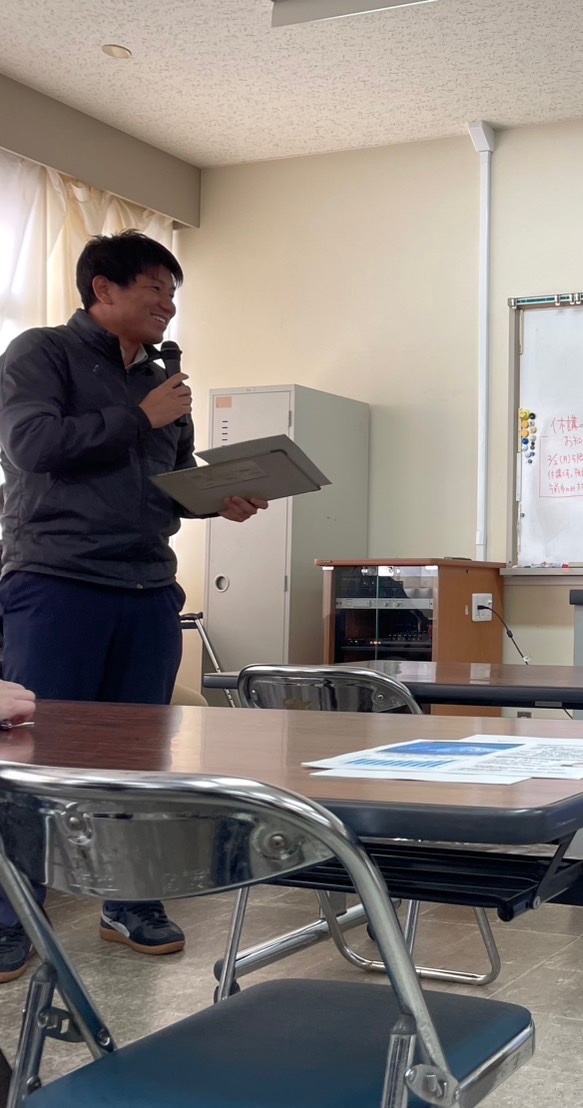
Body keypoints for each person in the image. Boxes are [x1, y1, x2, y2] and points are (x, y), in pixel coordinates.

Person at [0, 230, 268, 981]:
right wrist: (140, 416)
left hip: (148, 587)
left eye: (173, 293)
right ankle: (10, 915)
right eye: (155, 288)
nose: (168, 305)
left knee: (140, 758)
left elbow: (168, 482)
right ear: (103, 289)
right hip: (56, 581)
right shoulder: (41, 353)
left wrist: (219, 497)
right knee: (35, 756)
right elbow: (29, 446)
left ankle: (129, 901)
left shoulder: (162, 381)